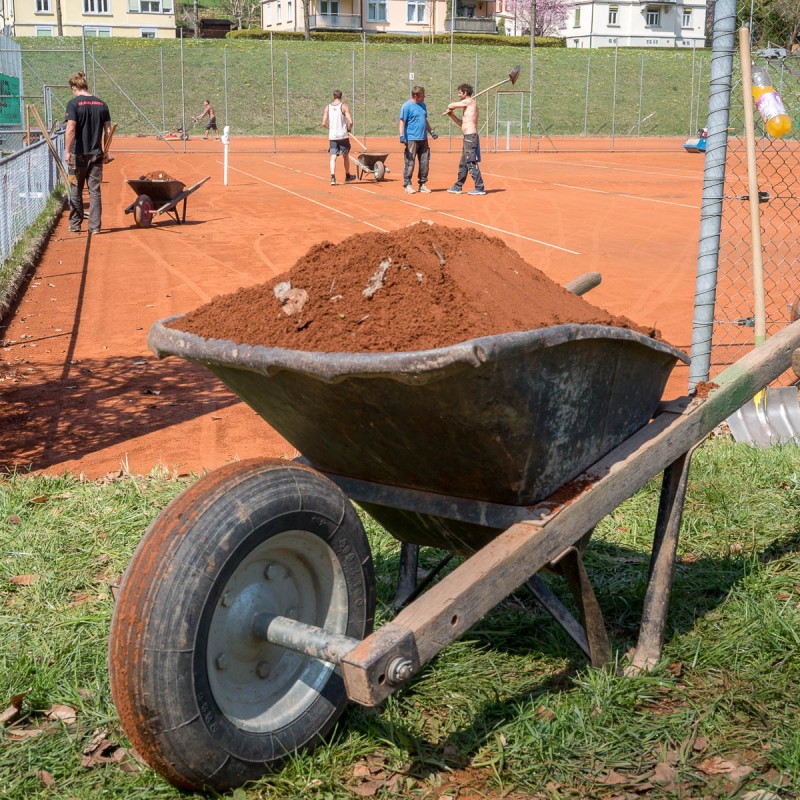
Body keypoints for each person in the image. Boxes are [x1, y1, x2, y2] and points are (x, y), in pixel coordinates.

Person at [64, 71, 112, 234]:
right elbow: (108, 130)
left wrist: (67, 151)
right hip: (96, 154)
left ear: (74, 87)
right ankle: (94, 227)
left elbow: (70, 128)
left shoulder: (73, 104)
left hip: (79, 154)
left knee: (76, 190)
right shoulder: (102, 104)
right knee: (94, 191)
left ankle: (76, 225)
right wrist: (106, 151)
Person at [445, 83, 486, 196]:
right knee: (463, 163)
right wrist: (451, 115)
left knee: (470, 162)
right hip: (467, 137)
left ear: (465, 92)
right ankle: (458, 186)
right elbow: (461, 123)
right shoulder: (467, 107)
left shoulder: (469, 102)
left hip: (470, 137)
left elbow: (451, 104)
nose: (458, 94)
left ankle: (479, 187)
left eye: (460, 92)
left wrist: (450, 107)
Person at [398, 85, 437, 194]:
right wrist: (402, 136)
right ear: (415, 96)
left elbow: (425, 120)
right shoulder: (406, 106)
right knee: (410, 162)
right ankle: (408, 185)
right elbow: (402, 122)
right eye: (422, 95)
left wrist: (431, 131)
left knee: (425, 163)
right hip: (411, 139)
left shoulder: (423, 105)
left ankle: (422, 184)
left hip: (423, 139)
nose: (424, 97)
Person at [322, 89, 355, 186]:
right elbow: (351, 122)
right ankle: (348, 176)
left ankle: (332, 177)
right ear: (341, 97)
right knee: (345, 156)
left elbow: (323, 123)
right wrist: (348, 129)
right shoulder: (343, 106)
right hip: (343, 136)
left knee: (333, 156)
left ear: (333, 97)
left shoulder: (328, 107)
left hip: (333, 136)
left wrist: (330, 128)